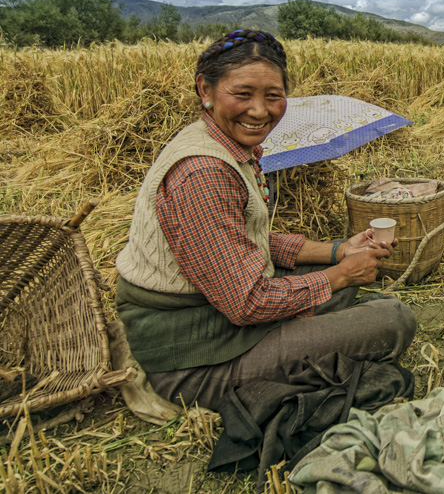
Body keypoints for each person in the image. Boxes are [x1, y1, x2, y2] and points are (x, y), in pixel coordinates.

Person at [115, 29, 416, 411]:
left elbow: (236, 240)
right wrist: (342, 274)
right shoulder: (203, 171)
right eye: (242, 94)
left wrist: (339, 251)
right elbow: (247, 303)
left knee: (338, 292)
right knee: (392, 319)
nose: (259, 111)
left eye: (273, 96)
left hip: (211, 314)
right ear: (205, 89)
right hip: (189, 356)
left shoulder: (221, 142)